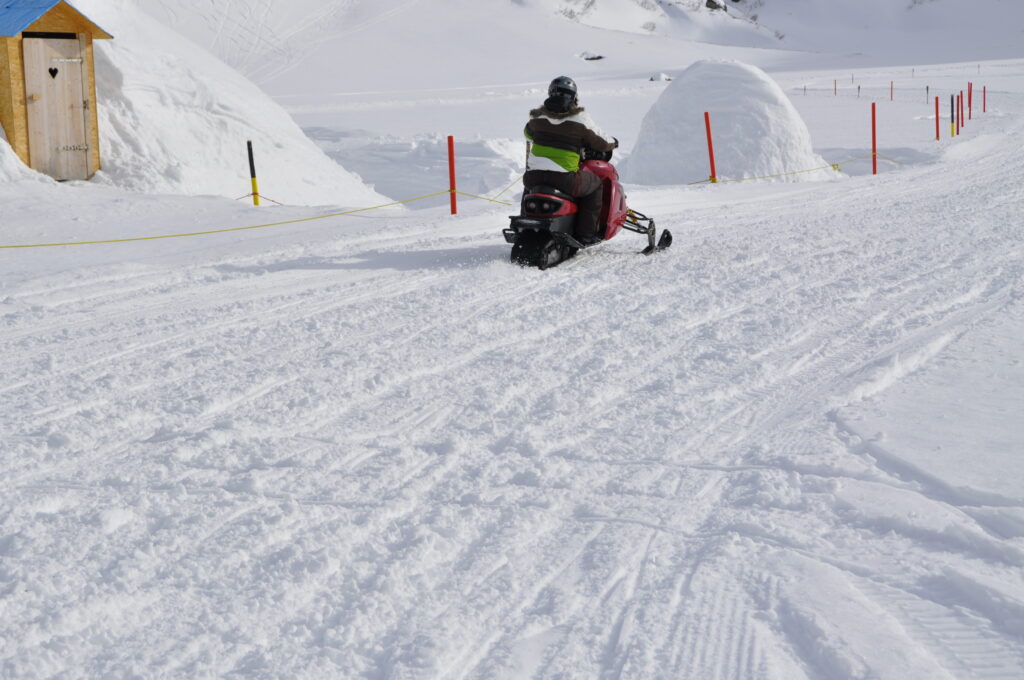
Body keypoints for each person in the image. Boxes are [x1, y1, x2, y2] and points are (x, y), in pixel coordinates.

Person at [524, 76, 618, 244]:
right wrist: (614, 142)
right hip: (565, 179)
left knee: (530, 188)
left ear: (550, 93)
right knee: (595, 184)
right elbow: (602, 143)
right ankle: (586, 235)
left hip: (533, 177)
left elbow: (527, 133)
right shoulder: (579, 119)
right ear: (574, 96)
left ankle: (526, 222)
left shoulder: (537, 117)